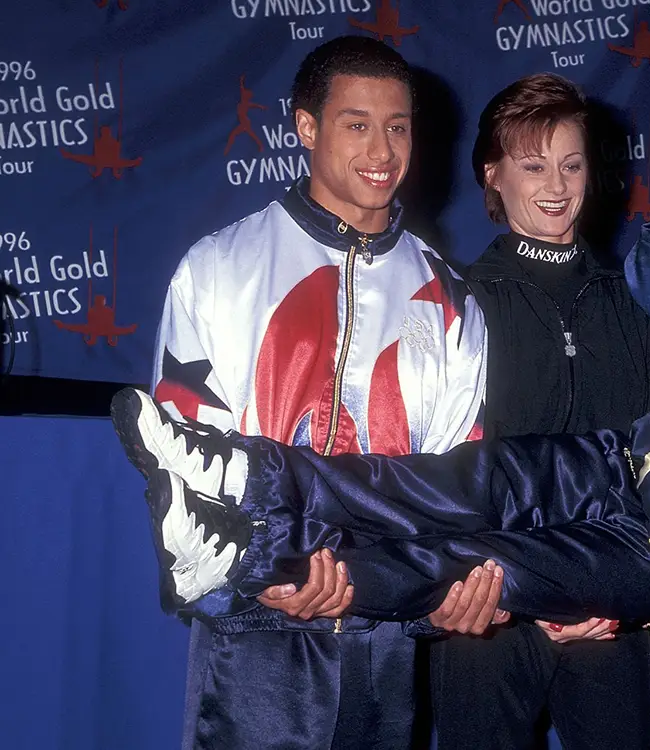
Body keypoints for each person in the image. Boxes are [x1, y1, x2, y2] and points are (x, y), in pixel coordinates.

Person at [112, 223, 650, 748]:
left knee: (489, 563)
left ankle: (252, 560)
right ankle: (241, 472)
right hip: (614, 467)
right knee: (445, 484)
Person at [149, 35, 505, 750]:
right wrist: (255, 582)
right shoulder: (219, 269)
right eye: (356, 123)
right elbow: (180, 462)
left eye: (398, 126)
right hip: (257, 641)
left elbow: (457, 476)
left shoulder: (452, 295)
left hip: (386, 643)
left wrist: (448, 590)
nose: (382, 149)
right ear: (306, 127)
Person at [429, 72, 650, 750]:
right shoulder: (453, 302)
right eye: (532, 164)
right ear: (493, 176)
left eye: (572, 163)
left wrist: (638, 594)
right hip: (489, 612)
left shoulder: (635, 302)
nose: (556, 183)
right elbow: (432, 468)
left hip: (607, 613)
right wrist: (481, 587)